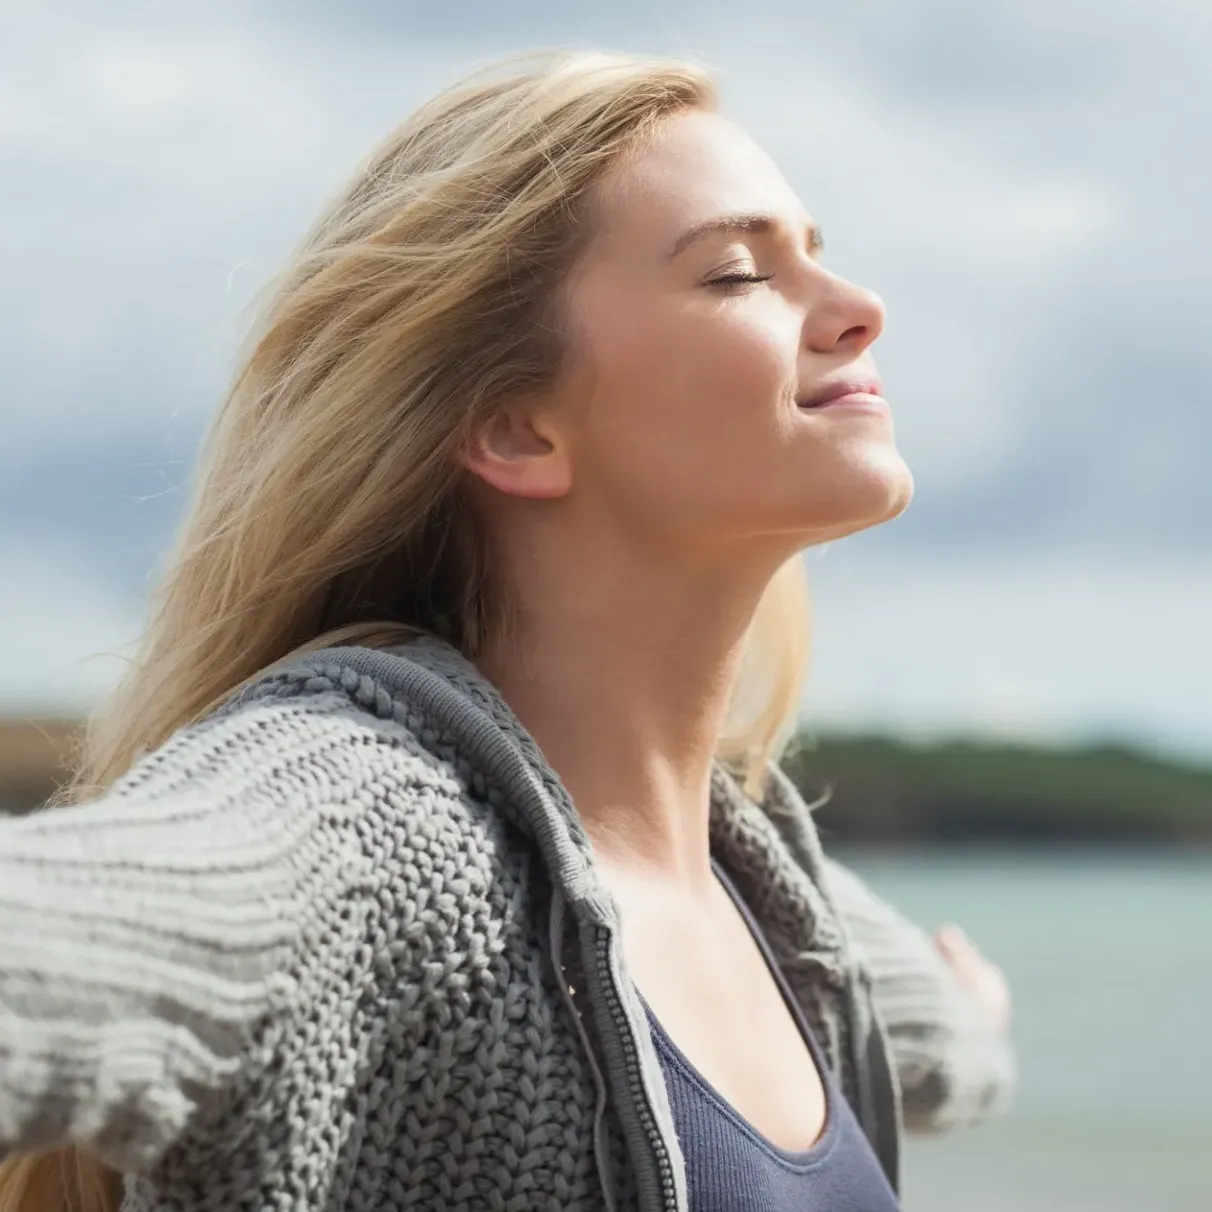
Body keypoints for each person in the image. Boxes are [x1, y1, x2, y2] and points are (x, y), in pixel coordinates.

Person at [0, 50, 1014, 1212]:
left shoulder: (772, 892)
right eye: (738, 273)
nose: (860, 308)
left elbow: (931, 1021)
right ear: (517, 430)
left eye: (816, 254)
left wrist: (980, 1034)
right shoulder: (373, 831)